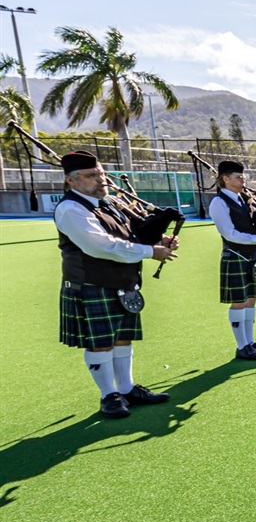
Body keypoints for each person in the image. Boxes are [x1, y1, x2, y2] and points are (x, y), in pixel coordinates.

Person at [55, 150, 176, 418]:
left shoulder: (109, 202)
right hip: (91, 283)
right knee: (101, 342)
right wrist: (150, 252)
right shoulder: (71, 208)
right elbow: (100, 246)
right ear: (71, 181)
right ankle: (108, 396)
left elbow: (132, 233)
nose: (101, 180)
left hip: (124, 281)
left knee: (122, 338)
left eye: (101, 173)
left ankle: (127, 388)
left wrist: (159, 241)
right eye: (91, 176)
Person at [210, 159, 256, 360]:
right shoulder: (219, 203)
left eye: (243, 177)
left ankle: (250, 342)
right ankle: (241, 346)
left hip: (252, 255)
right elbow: (229, 233)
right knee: (239, 302)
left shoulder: (243, 199)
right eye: (238, 177)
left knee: (251, 299)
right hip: (235, 255)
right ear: (225, 179)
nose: (243, 180)